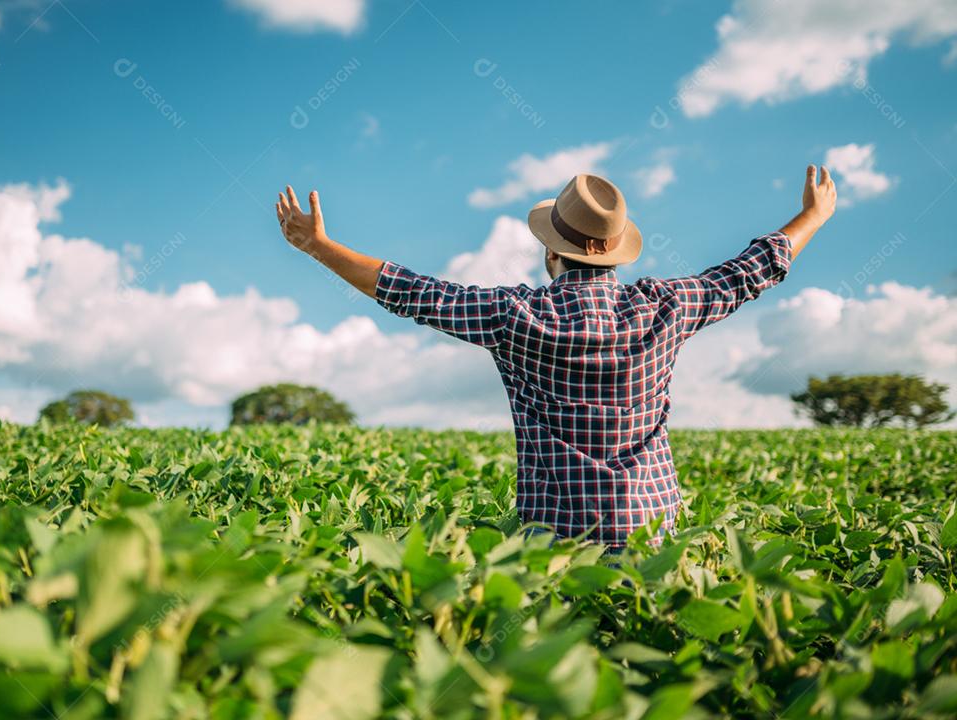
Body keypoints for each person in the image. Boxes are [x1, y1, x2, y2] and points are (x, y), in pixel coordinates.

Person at [274, 166, 837, 550]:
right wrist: (812, 217)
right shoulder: (667, 306)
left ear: (552, 249)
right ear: (614, 251)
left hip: (558, 546)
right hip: (655, 538)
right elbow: (748, 271)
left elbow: (412, 292)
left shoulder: (515, 315)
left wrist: (319, 246)